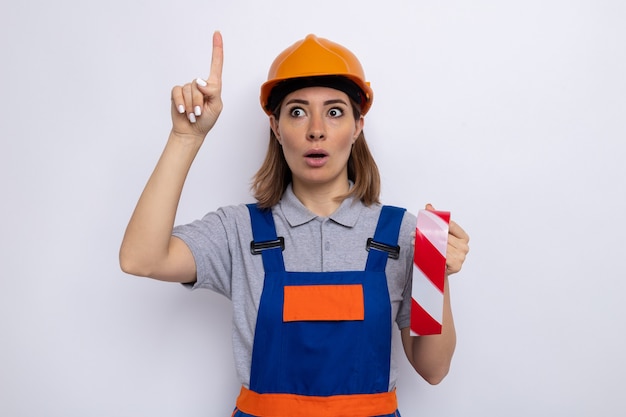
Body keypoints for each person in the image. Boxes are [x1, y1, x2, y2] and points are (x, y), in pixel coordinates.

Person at [120, 31, 470, 417]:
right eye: (298, 111)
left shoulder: (402, 233)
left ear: (357, 127)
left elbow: (433, 369)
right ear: (275, 127)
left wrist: (437, 273)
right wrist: (185, 137)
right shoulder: (239, 231)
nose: (315, 129)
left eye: (334, 111)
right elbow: (141, 258)